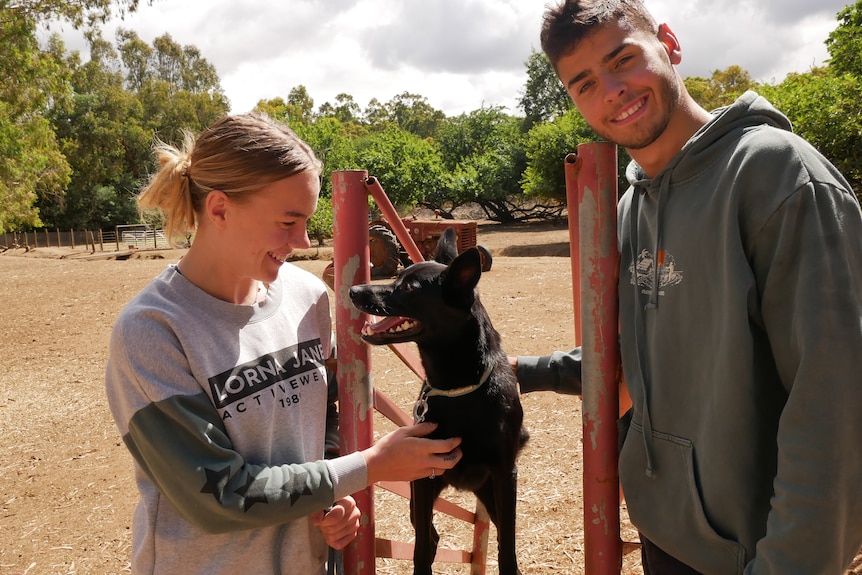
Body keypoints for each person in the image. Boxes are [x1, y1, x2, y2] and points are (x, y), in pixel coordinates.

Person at [513, 1, 862, 573]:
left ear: (669, 43)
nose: (612, 91)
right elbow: (648, 352)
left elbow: (835, 403)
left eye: (623, 60)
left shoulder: (779, 178)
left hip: (756, 553)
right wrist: (521, 371)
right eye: (584, 84)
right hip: (668, 536)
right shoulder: (629, 209)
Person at [105, 112, 463, 575]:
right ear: (219, 210)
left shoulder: (305, 296)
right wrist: (367, 466)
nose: (304, 240)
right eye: (289, 221)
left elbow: (326, 411)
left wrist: (332, 495)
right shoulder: (152, 332)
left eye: (308, 221)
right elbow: (219, 496)